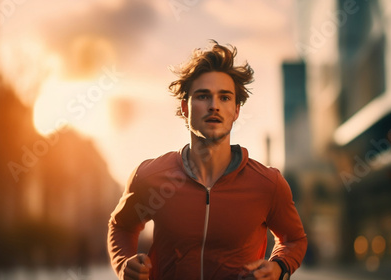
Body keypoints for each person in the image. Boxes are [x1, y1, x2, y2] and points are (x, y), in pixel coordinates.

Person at [107, 41, 307, 280]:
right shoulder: (150, 176)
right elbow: (121, 226)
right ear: (185, 107)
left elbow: (294, 239)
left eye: (224, 98)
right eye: (203, 96)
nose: (214, 106)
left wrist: (280, 267)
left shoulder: (267, 183)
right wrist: (123, 263)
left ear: (236, 111)